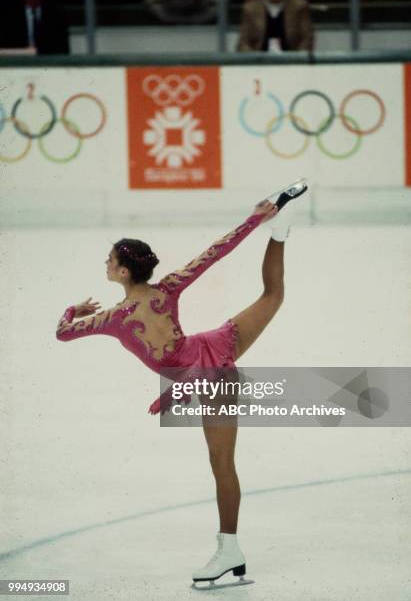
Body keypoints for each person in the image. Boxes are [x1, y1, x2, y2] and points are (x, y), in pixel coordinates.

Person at [56, 178, 308, 588]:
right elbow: (215, 252)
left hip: (208, 376)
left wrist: (73, 308)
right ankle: (280, 232)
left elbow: (63, 332)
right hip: (216, 347)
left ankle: (230, 549)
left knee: (222, 464)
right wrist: (255, 220)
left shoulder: (111, 319)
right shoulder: (166, 289)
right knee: (273, 295)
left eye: (109, 260)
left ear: (123, 271)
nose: (104, 264)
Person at [237, 0, 314, 52]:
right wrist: (254, 60)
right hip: (259, 63)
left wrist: (298, 59)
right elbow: (243, 43)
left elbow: (307, 38)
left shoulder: (299, 7)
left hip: (292, 62)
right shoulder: (250, 9)